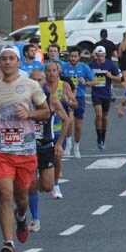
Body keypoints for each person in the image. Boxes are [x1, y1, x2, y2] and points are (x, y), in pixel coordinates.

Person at [0, 47, 50, 252]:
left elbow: (46, 111)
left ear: (18, 62)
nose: (8, 62)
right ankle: (8, 243)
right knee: (5, 193)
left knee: (21, 199)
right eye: (4, 59)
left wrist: (29, 113)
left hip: (25, 152)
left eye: (12, 59)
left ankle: (21, 218)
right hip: (0, 151)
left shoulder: (31, 85)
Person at [26, 65, 72, 232]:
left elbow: (66, 120)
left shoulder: (51, 99)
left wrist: (59, 143)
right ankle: (35, 218)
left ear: (44, 81)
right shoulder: (23, 99)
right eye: (33, 80)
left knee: (46, 186)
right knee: (31, 184)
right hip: (28, 147)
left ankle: (31, 193)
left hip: (46, 146)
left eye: (39, 80)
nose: (36, 83)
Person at [42, 58, 77, 199]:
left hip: (58, 129)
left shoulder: (64, 85)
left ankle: (56, 185)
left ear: (58, 72)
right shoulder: (41, 85)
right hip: (43, 130)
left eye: (54, 71)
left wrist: (67, 101)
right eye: (48, 71)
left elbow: (75, 105)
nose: (51, 73)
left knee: (58, 158)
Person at [60, 47, 95, 159]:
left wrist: (86, 82)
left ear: (79, 57)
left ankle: (76, 146)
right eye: (71, 56)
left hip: (79, 98)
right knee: (68, 121)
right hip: (67, 97)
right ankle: (68, 144)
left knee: (78, 125)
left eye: (75, 56)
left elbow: (94, 81)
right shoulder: (64, 67)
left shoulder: (84, 67)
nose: (73, 58)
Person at [88, 45, 122, 150]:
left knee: (104, 116)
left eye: (101, 56)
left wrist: (111, 76)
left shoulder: (110, 64)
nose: (100, 58)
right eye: (98, 56)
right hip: (96, 93)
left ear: (105, 55)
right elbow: (86, 76)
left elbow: (120, 79)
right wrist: (88, 82)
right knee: (98, 114)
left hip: (106, 93)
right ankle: (98, 137)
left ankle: (103, 136)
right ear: (96, 55)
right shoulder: (91, 65)